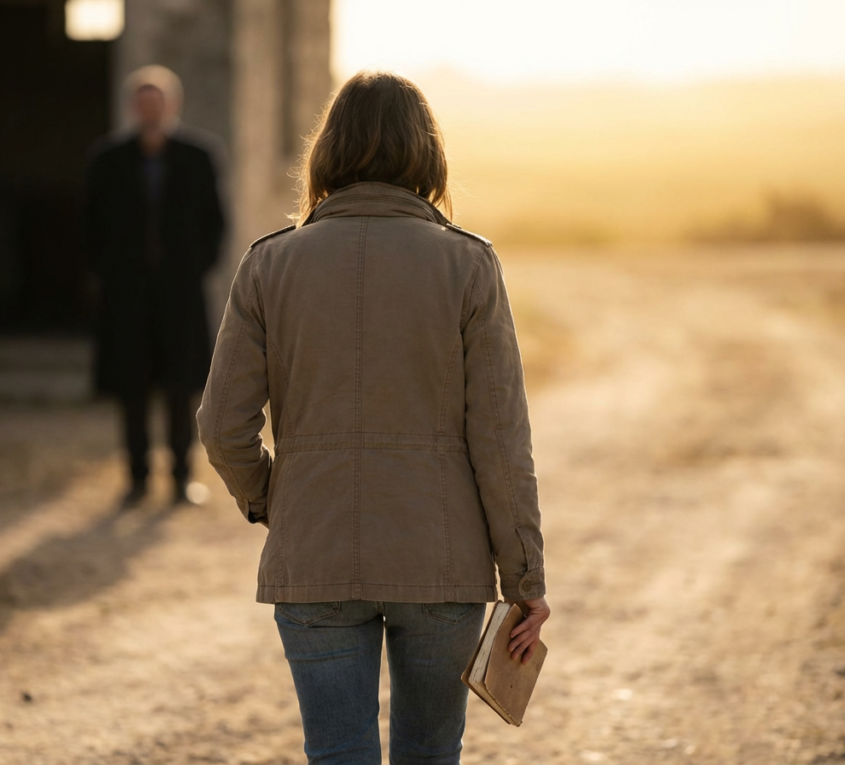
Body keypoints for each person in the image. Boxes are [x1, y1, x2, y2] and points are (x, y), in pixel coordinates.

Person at [197, 71, 549, 764]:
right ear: (427, 152)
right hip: (441, 564)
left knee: (337, 752)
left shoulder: (269, 263)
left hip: (316, 551)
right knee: (429, 752)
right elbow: (501, 442)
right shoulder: (469, 265)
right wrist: (526, 581)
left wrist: (274, 498)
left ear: (327, 151)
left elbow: (220, 426)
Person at [86, 66, 226, 507]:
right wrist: (111, 275)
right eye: (143, 103)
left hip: (180, 295)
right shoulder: (107, 160)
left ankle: (184, 477)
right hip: (126, 297)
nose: (150, 110)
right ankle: (137, 478)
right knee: (132, 388)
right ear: (134, 107)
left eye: (157, 102)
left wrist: (192, 268)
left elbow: (215, 223)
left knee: (182, 388)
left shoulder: (198, 157)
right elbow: (88, 227)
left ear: (171, 106)